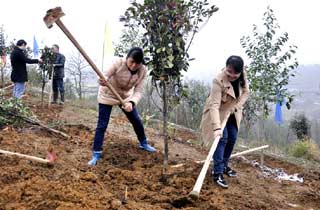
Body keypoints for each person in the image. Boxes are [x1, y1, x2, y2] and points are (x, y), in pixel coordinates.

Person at [88, 47, 156, 166]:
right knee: (102, 125)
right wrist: (102, 80)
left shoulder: (143, 71)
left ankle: (143, 143)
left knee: (136, 120)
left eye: (137, 63)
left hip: (125, 97)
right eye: (131, 62)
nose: (134, 65)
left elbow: (139, 90)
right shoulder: (118, 63)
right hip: (108, 94)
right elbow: (104, 75)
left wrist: (132, 103)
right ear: (127, 58)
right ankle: (96, 153)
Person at [200, 55, 249, 188]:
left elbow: (246, 92)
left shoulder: (243, 76)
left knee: (232, 138)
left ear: (240, 71)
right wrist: (216, 128)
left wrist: (236, 107)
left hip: (232, 112)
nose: (232, 75)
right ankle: (217, 172)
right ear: (226, 67)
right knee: (222, 138)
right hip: (217, 113)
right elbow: (214, 106)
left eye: (235, 73)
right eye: (229, 71)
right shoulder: (218, 81)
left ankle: (224, 165)